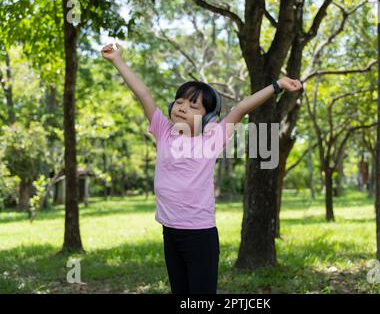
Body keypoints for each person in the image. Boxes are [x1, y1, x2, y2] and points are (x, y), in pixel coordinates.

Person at [101, 42, 303, 294]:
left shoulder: (212, 138)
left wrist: (278, 85)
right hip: (170, 231)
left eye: (193, 105)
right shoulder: (164, 132)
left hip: (199, 235)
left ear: (208, 117)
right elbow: (143, 93)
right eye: (179, 102)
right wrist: (117, 60)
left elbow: (241, 108)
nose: (182, 107)